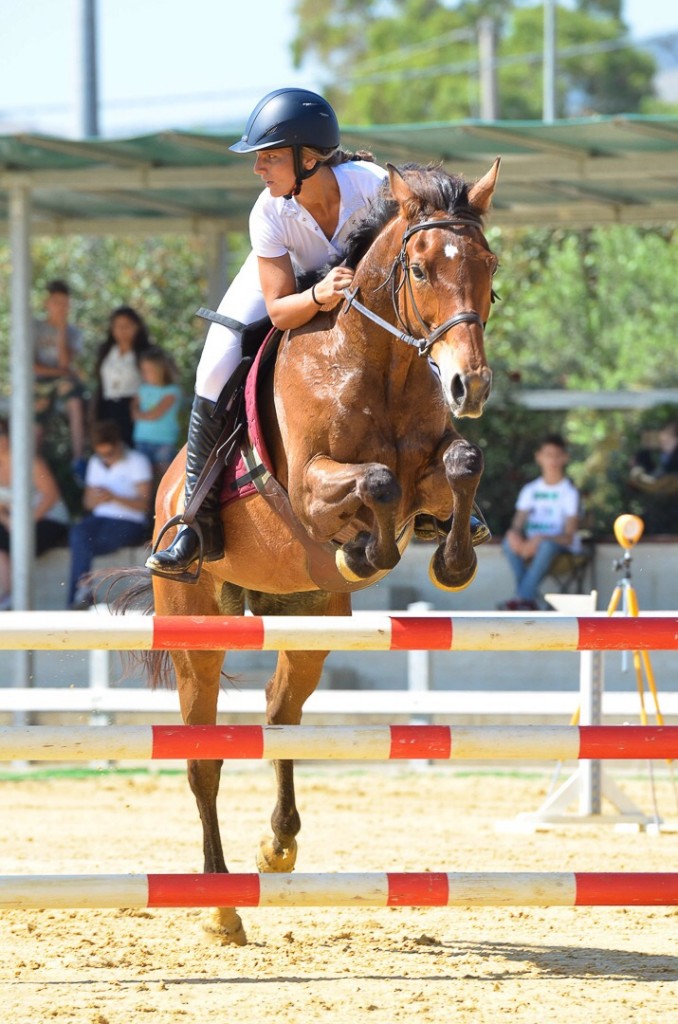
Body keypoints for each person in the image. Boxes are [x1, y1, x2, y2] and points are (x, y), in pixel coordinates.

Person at [146, 87, 389, 580]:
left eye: (270, 157)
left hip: (360, 292)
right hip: (294, 287)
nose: (258, 169)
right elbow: (279, 309)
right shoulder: (269, 210)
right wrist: (320, 295)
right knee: (216, 357)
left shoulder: (375, 186)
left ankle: (448, 492)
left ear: (310, 159)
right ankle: (192, 520)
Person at [67, 420, 153, 609]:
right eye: (101, 454)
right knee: (78, 533)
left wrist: (114, 497)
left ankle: (79, 594)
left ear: (119, 445)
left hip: (129, 522)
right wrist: (101, 498)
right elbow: (87, 503)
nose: (106, 458)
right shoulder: (95, 463)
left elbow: (143, 505)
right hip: (99, 519)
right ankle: (80, 591)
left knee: (84, 543)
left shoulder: (137, 462)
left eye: (110, 454)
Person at [499, 433, 582, 611]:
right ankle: (528, 600)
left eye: (557, 455)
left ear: (565, 458)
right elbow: (517, 524)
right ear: (539, 457)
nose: (552, 460)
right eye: (548, 454)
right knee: (508, 543)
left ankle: (522, 598)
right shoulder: (530, 490)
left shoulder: (569, 492)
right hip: (531, 548)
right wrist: (514, 535)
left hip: (558, 550)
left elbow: (568, 537)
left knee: (546, 546)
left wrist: (540, 539)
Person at [0, 418, 70, 610]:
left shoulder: (28, 461)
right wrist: (8, 521)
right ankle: (6, 597)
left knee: (15, 543)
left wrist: (23, 523)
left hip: (47, 519)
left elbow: (51, 496)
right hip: (15, 523)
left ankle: (12, 598)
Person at [33, 279, 87, 476]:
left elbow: (65, 363)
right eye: (56, 302)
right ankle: (31, 468)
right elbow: (33, 367)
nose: (60, 308)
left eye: (64, 303)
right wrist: (64, 373)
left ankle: (78, 459)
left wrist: (62, 330)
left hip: (62, 382)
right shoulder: (34, 327)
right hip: (39, 383)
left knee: (75, 402)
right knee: (36, 424)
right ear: (47, 303)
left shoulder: (73, 333)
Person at [91, 305, 151, 448]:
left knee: (129, 449)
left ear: (137, 327)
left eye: (127, 326)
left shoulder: (145, 353)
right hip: (106, 406)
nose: (122, 331)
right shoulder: (106, 350)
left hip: (131, 407)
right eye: (117, 326)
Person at [131, 346, 183, 483]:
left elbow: (155, 414)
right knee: (144, 478)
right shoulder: (142, 388)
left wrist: (139, 414)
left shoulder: (172, 391)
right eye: (143, 371)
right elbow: (134, 407)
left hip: (164, 441)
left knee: (166, 478)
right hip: (142, 439)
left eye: (149, 371)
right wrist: (140, 413)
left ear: (161, 370)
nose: (145, 374)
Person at [628, 420, 678, 535]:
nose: (663, 441)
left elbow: (660, 482)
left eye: (668, 438)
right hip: (657, 516)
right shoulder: (654, 456)